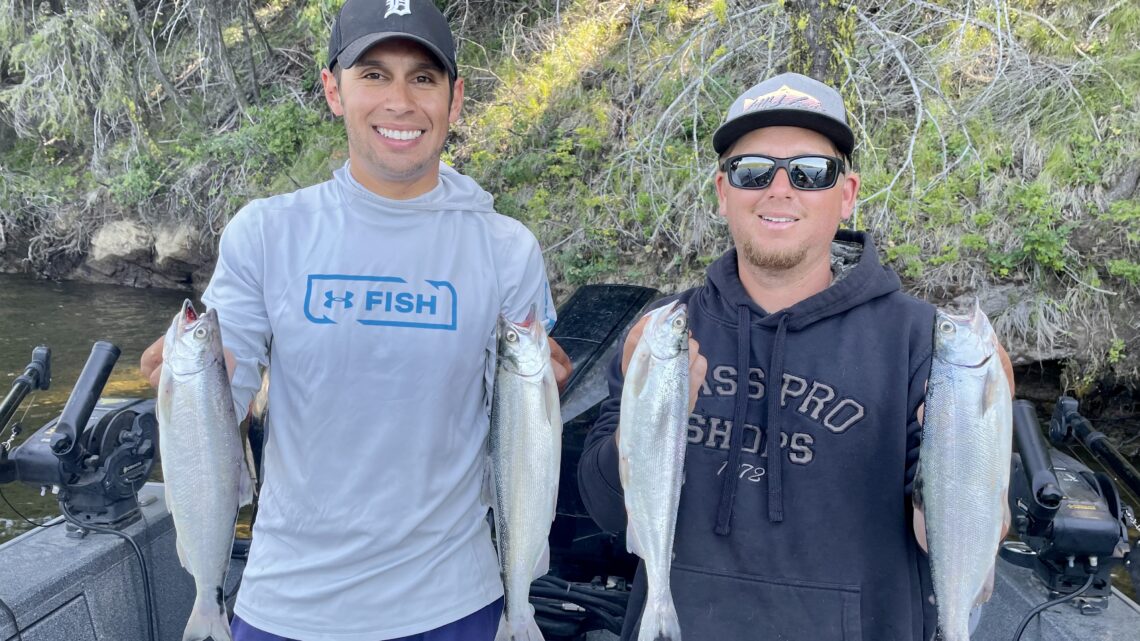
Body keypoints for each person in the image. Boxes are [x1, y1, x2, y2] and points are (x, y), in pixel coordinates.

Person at [140, 1, 571, 639]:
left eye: (423, 78)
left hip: (457, 604)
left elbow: (517, 426)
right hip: (286, 606)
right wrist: (189, 389)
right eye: (373, 74)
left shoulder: (507, 248)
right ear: (332, 90)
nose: (400, 101)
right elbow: (221, 405)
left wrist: (544, 392)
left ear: (454, 101)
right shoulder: (266, 232)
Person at [577, 72, 1014, 641]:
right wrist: (646, 422)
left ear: (847, 194)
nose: (779, 190)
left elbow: (949, 539)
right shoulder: (665, 331)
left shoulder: (923, 342)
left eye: (810, 173)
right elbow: (605, 510)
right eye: (752, 170)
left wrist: (975, 460)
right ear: (722, 192)